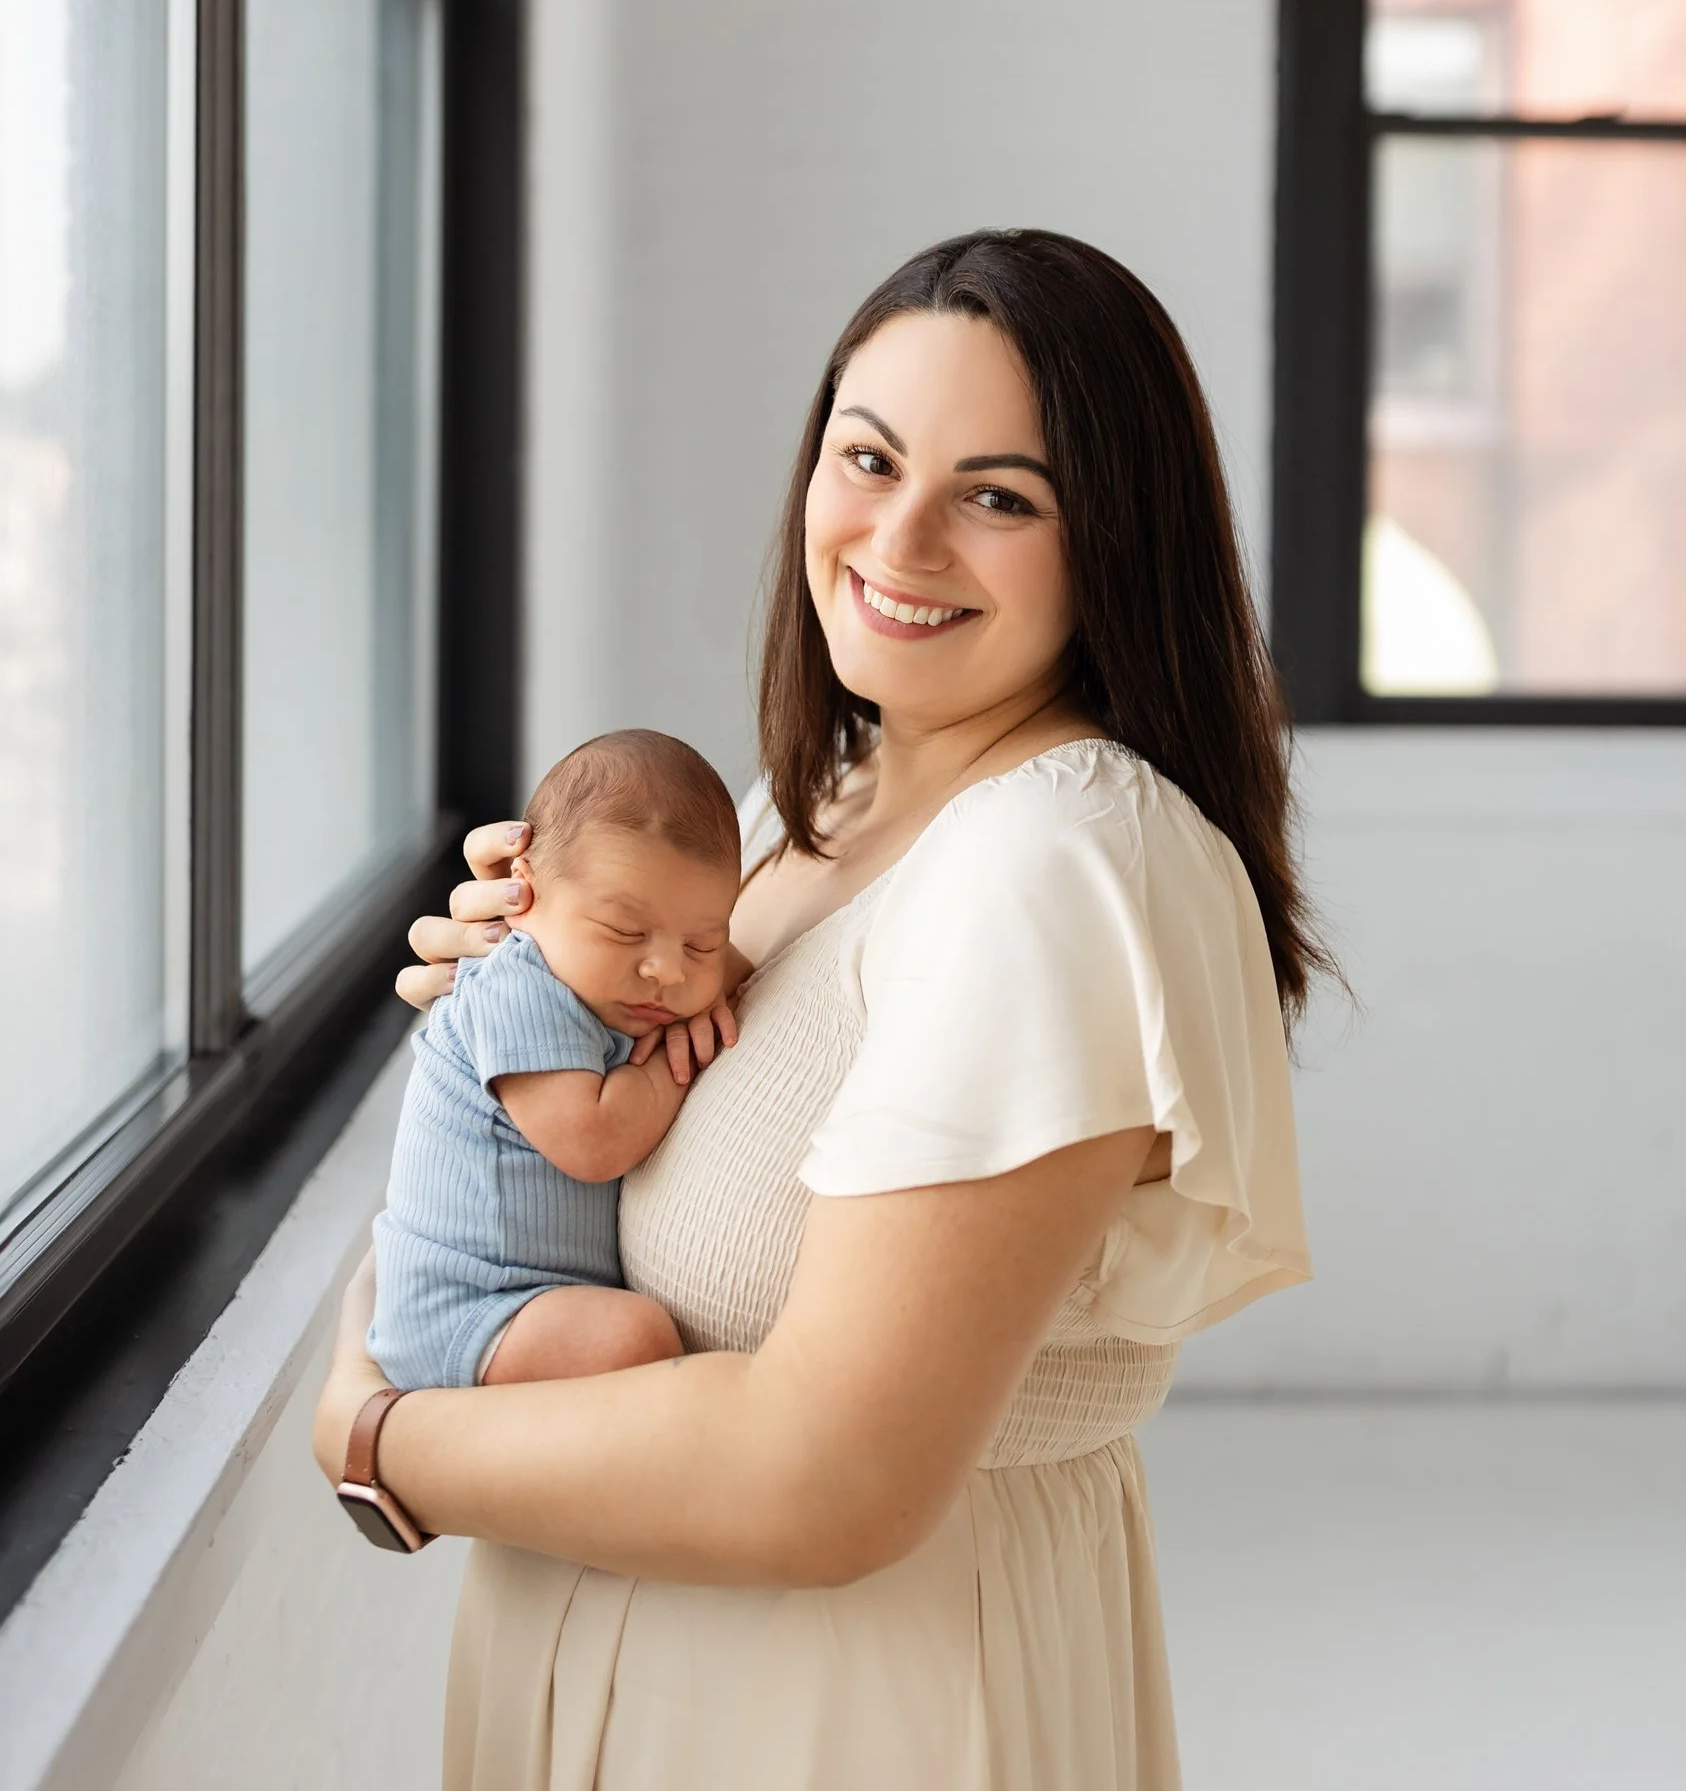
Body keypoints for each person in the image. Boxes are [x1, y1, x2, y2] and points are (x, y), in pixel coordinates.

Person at [314, 227, 1329, 1791]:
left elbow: (829, 1479)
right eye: (869, 460)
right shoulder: (807, 807)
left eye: (999, 496)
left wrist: (376, 1438)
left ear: (1114, 541)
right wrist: (527, 1007)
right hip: (655, 1666)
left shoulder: (1052, 864)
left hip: (844, 1708)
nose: (899, 538)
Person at [367, 731, 744, 1392]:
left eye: (702, 944)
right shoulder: (518, 984)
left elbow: (744, 969)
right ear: (523, 893)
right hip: (466, 1306)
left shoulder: (614, 988)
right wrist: (669, 1061)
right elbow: (594, 1142)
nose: (665, 969)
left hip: (529, 1299)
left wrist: (718, 986)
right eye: (625, 932)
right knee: (635, 1337)